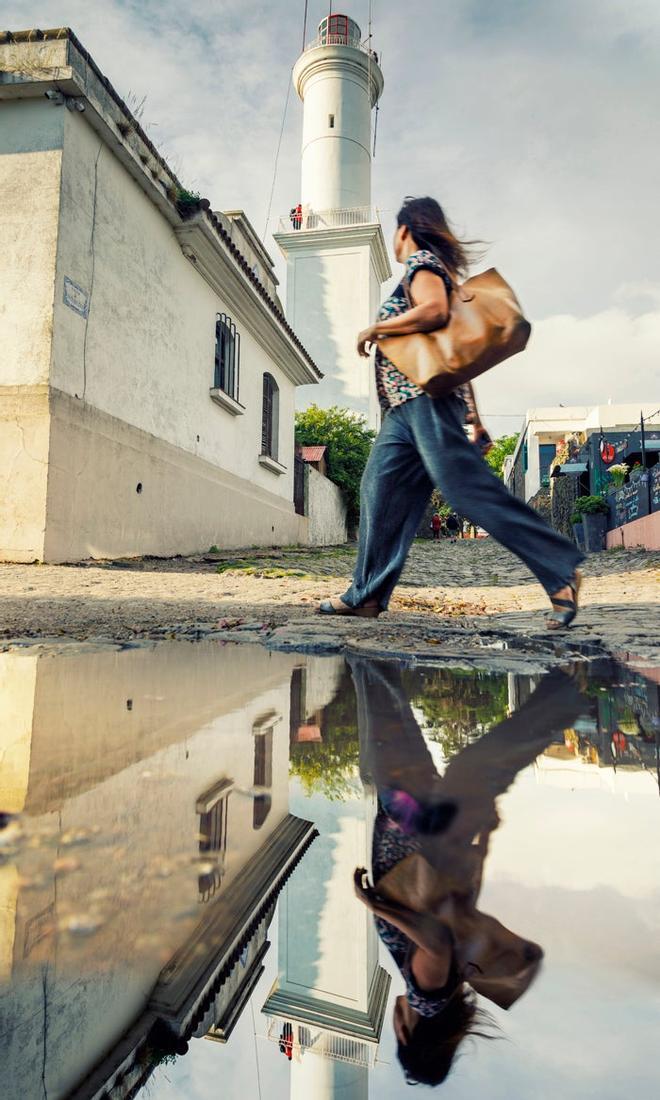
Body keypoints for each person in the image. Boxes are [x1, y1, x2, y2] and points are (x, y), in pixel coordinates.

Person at [319, 196, 583, 628]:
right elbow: (453, 357)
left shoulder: (422, 263)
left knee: (465, 491)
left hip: (423, 404)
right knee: (378, 492)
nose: (393, 242)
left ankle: (559, 569)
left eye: (394, 233)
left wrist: (376, 327)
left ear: (404, 231)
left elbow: (436, 312)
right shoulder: (422, 270)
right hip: (402, 414)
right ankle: (365, 595)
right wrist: (475, 417)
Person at [349, 656, 586, 1086]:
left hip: (432, 838)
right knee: (388, 725)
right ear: (404, 1035)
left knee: (463, 764)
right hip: (416, 831)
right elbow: (437, 941)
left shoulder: (452, 987)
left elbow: (456, 907)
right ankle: (367, 641)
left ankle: (565, 695)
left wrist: (484, 842)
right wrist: (374, 905)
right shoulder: (427, 997)